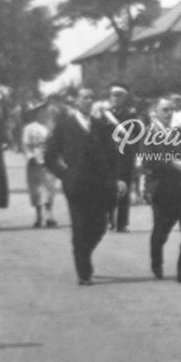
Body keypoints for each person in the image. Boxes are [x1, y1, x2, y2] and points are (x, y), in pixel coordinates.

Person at [44, 88, 127, 285]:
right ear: (76, 102)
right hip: (76, 186)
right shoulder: (64, 127)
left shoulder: (100, 126)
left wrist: (117, 178)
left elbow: (112, 156)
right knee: (80, 228)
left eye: (92, 98)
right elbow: (49, 157)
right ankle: (84, 271)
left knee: (99, 227)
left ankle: (84, 253)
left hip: (99, 186)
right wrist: (65, 174)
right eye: (85, 98)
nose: (89, 101)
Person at [143, 97, 181, 284]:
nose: (169, 113)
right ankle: (156, 262)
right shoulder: (147, 133)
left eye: (171, 110)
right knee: (161, 232)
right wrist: (171, 163)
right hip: (162, 190)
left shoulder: (178, 131)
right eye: (165, 110)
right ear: (156, 113)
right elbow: (147, 161)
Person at [106, 83, 138, 232]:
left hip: (125, 156)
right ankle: (108, 219)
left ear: (125, 98)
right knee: (107, 187)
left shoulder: (131, 115)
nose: (116, 98)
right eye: (113, 95)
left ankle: (122, 222)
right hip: (108, 156)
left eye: (119, 95)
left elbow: (135, 135)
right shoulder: (105, 115)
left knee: (124, 188)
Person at [21, 102, 58, 228]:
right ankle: (38, 217)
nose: (43, 114)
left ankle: (49, 216)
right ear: (36, 114)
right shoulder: (30, 128)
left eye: (45, 111)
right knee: (35, 189)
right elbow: (25, 144)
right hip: (35, 159)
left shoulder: (51, 126)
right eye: (40, 112)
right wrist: (30, 156)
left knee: (50, 188)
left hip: (49, 159)